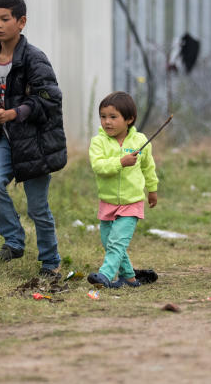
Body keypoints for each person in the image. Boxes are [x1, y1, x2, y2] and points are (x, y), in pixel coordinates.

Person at [0, 0, 67, 278]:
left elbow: (50, 100)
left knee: (38, 208)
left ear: (21, 21)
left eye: (5, 19)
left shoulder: (35, 59)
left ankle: (50, 262)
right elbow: (1, 103)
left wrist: (14, 114)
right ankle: (14, 242)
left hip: (35, 143)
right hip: (6, 139)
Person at [87, 91, 159, 289]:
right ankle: (129, 278)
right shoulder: (98, 142)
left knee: (117, 242)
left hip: (131, 202)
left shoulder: (140, 141)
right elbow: (99, 167)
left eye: (113, 117)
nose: (107, 122)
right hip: (107, 201)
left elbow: (148, 168)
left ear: (129, 119)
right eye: (103, 117)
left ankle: (106, 275)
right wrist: (121, 162)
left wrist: (152, 189)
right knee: (108, 241)